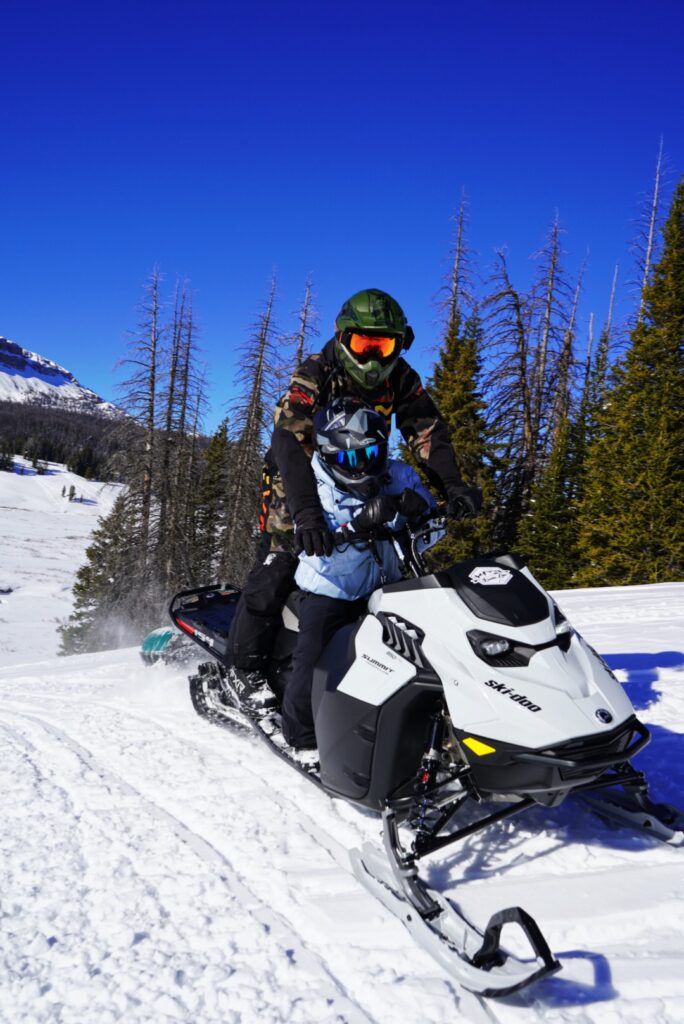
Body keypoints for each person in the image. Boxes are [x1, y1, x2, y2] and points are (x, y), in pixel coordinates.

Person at [228, 287, 481, 694]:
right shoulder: (318, 371)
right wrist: (307, 513)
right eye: (363, 344)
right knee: (277, 568)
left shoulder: (400, 376)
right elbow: (287, 443)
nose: (372, 357)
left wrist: (452, 486)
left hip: (357, 477)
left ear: (400, 344)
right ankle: (244, 673)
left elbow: (427, 430)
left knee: (381, 568)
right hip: (295, 480)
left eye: (383, 345)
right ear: (344, 338)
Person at [281, 398, 441, 752]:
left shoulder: (398, 475)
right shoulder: (314, 489)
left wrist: (421, 513)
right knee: (313, 657)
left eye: (367, 455)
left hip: (388, 589)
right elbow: (320, 557)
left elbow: (431, 532)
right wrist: (358, 525)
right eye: (347, 459)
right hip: (331, 591)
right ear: (327, 455)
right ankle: (301, 736)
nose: (359, 467)